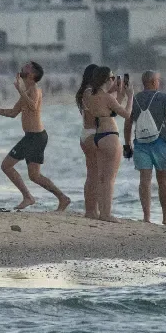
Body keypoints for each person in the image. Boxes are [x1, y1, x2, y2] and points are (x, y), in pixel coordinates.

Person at [0, 61, 70, 211]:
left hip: (35, 137)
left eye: (27, 67)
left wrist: (20, 90)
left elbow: (33, 106)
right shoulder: (27, 92)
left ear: (32, 74)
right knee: (34, 176)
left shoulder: (34, 90)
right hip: (34, 137)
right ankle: (62, 198)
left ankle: (28, 197)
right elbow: (13, 113)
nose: (23, 67)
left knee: (6, 165)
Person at [124, 70, 166, 224]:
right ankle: (165, 216)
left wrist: (127, 143)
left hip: (140, 143)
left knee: (144, 180)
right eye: (158, 80)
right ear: (153, 82)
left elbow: (128, 122)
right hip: (160, 142)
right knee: (163, 179)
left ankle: (146, 217)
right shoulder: (163, 97)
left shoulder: (136, 99)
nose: (159, 82)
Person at [83, 67, 131, 222]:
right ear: (106, 79)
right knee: (109, 179)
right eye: (112, 78)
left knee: (101, 177)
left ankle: (100, 211)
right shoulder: (107, 97)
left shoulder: (89, 95)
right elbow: (127, 115)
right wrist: (130, 97)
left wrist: (120, 94)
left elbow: (109, 110)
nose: (114, 80)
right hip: (110, 135)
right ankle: (106, 213)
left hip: (98, 136)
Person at [74, 63, 101, 217]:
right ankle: (92, 210)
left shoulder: (85, 92)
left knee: (92, 173)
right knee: (94, 175)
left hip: (87, 133)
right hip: (92, 134)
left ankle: (91, 209)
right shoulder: (90, 92)